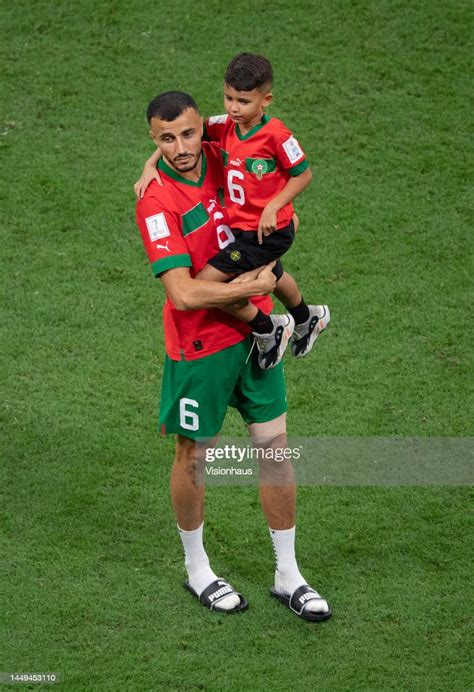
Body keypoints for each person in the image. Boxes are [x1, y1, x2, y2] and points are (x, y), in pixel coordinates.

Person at [135, 90, 331, 621]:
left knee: (275, 450)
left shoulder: (225, 155)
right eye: (166, 140)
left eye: (188, 133)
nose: (180, 148)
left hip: (258, 337)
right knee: (193, 458)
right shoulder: (155, 202)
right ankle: (198, 569)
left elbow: (274, 178)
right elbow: (183, 294)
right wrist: (257, 283)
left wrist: (271, 248)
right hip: (201, 347)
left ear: (203, 128)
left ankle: (288, 575)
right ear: (154, 140)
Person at [135, 53, 330, 371]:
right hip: (251, 228)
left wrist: (274, 206)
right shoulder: (225, 127)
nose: (233, 108)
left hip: (267, 227)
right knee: (271, 271)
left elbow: (304, 174)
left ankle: (270, 327)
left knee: (211, 286)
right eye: (228, 99)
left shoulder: (278, 135)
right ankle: (307, 316)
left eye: (242, 101)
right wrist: (149, 162)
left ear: (265, 100)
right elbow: (181, 131)